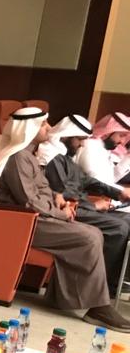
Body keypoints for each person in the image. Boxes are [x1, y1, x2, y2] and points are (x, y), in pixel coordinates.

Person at [0, 108, 130, 331]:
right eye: (43, 124)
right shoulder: (18, 157)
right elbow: (29, 201)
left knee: (93, 233)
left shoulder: (28, 154)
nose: (48, 128)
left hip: (38, 216)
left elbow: (40, 189)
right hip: (22, 222)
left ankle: (64, 298)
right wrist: (61, 213)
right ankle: (98, 307)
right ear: (29, 128)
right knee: (89, 237)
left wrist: (57, 198)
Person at [42, 115, 130, 298]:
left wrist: (118, 193)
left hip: (83, 205)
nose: (82, 144)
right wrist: (94, 206)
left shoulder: (66, 156)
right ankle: (100, 286)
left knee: (127, 220)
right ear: (67, 136)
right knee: (118, 227)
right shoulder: (51, 157)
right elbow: (61, 196)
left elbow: (87, 180)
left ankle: (114, 282)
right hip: (70, 209)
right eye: (80, 139)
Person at [76, 113, 130, 187]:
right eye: (121, 135)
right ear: (108, 131)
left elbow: (111, 179)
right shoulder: (90, 146)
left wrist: (128, 158)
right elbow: (100, 184)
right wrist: (124, 191)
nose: (122, 142)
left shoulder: (103, 148)